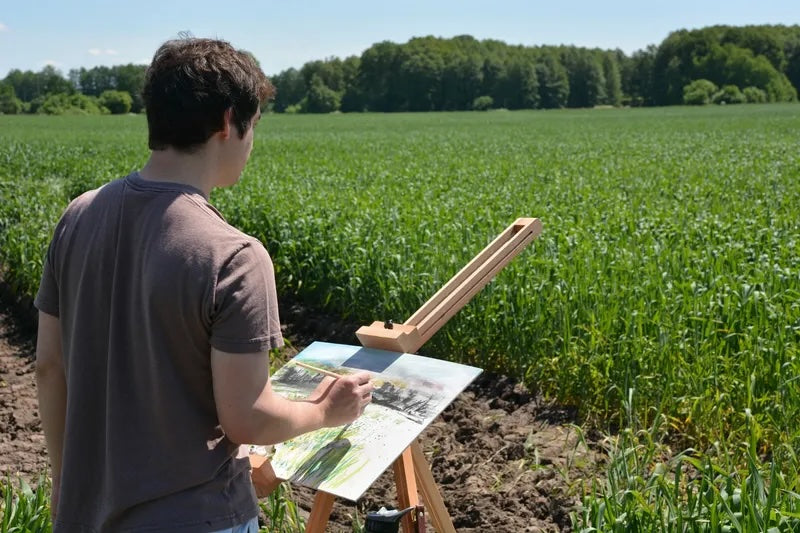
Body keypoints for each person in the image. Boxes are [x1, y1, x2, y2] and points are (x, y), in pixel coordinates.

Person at [33, 37, 373, 533]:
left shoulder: (78, 216)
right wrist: (325, 410)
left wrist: (64, 482)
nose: (252, 142)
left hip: (87, 514)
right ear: (226, 122)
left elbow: (48, 366)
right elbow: (248, 420)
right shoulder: (234, 256)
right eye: (253, 127)